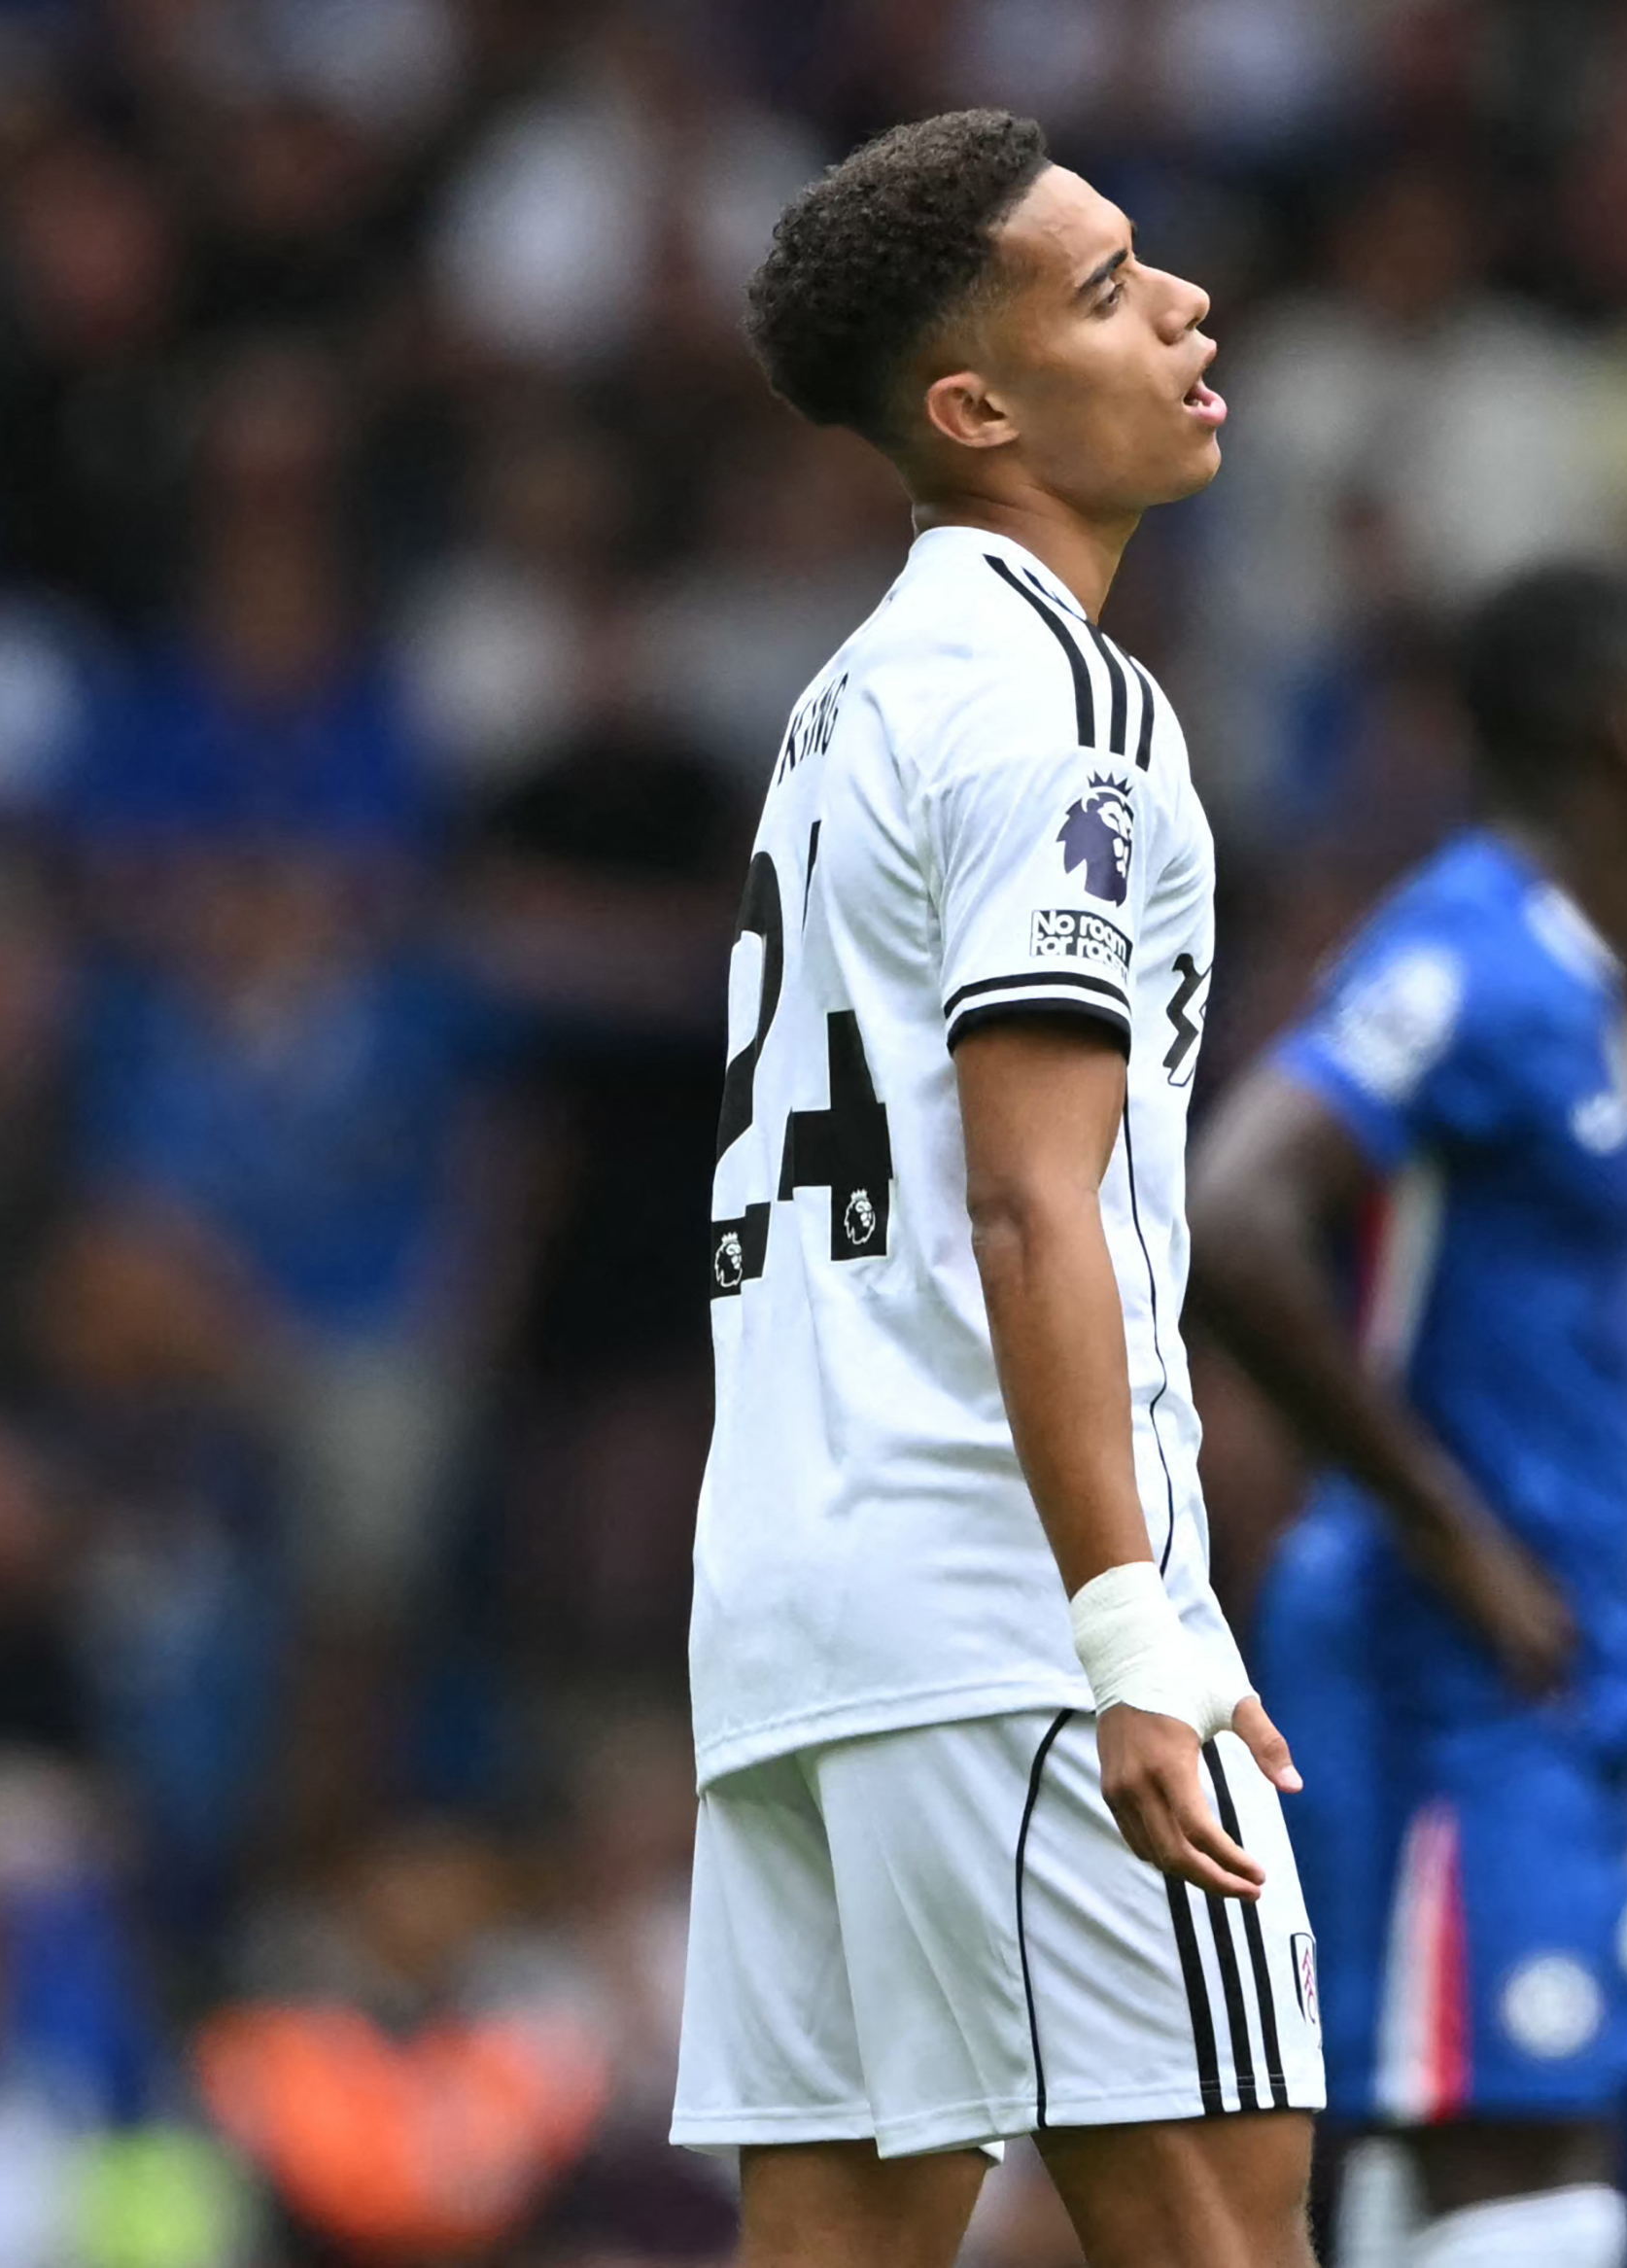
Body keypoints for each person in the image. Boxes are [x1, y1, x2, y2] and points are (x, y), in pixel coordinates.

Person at [671, 109, 1322, 2268]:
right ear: (976, 410)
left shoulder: (845, 705)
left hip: (795, 1619)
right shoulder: (1060, 712)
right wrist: (1130, 1628)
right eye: (1110, 288)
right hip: (1011, 1612)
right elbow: (1028, 1201)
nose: (1186, 307)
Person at [1190, 557, 1627, 2268]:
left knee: (1455, 2150)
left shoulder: (1565, 976)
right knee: (1509, 2141)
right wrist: (1453, 1531)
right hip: (1452, 1675)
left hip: (1543, 1668)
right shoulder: (1477, 957)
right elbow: (1234, 1211)